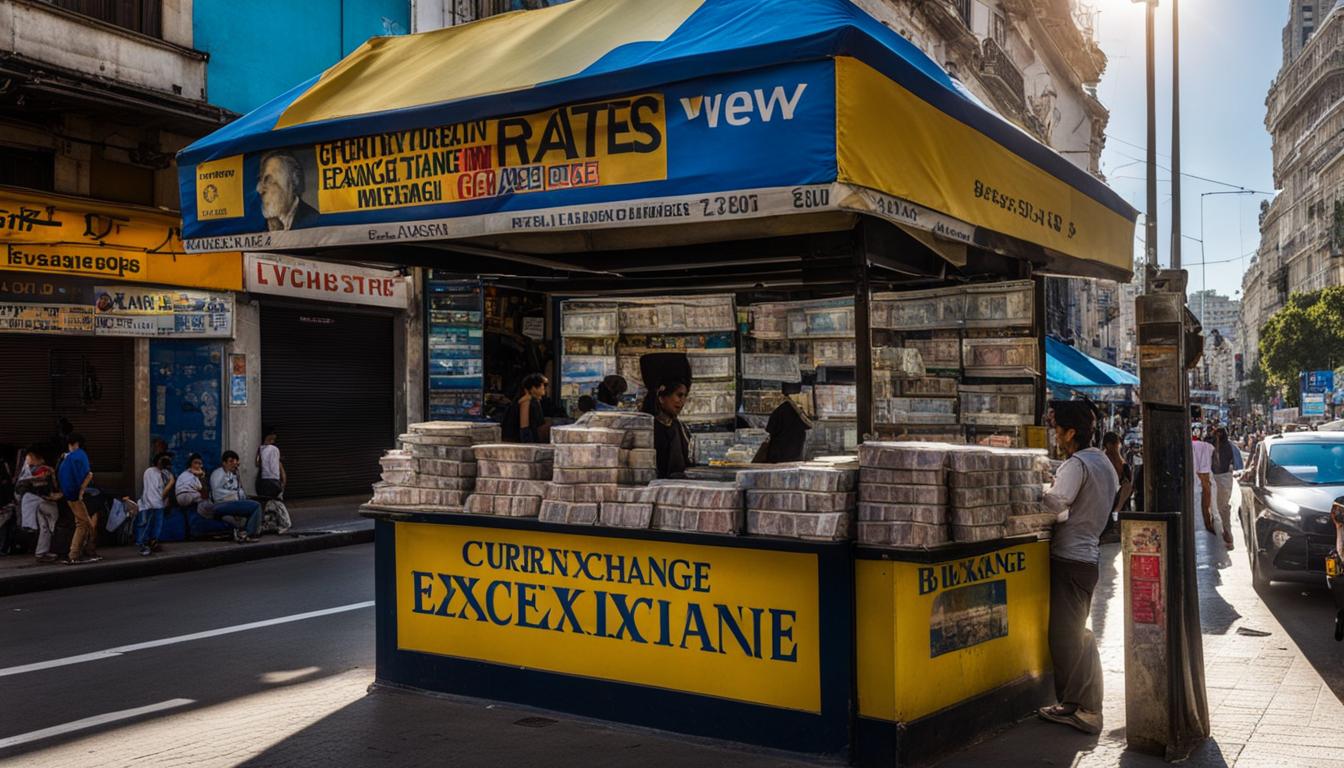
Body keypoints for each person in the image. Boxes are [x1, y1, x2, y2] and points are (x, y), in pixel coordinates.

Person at [1038, 401, 1117, 735]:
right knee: (1073, 633)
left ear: (1071, 432)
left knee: (1070, 636)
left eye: (1058, 430)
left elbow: (1056, 503)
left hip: (1070, 558)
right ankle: (1074, 704)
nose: (1056, 436)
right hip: (1088, 558)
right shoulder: (1103, 463)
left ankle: (1086, 709)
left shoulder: (1076, 464)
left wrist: (1035, 492)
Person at [640, 353, 693, 479]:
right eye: (679, 395)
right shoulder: (647, 429)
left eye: (685, 396)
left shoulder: (679, 428)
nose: (682, 401)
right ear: (661, 397)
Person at [56, 432, 100, 565]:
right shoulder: (80, 456)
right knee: (84, 523)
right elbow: (87, 475)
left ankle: (80, 552)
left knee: (81, 523)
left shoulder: (66, 458)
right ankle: (75, 554)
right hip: (75, 494)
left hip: (68, 494)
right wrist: (81, 491)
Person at [14, 444, 61, 563]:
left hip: (35, 500)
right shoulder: (39, 470)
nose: (28, 460)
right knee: (50, 520)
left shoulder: (39, 469)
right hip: (37, 500)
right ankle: (42, 552)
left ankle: (41, 553)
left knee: (44, 526)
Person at [256, 152, 318, 231]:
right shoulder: (260, 224)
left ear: (293, 182)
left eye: (270, 180)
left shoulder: (314, 220)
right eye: (260, 181)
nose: (259, 190)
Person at [210, 451, 262, 543]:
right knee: (256, 506)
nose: (233, 464)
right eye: (230, 461)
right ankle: (250, 533)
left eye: (235, 461)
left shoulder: (233, 476)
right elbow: (216, 493)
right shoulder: (217, 473)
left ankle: (245, 531)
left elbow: (240, 492)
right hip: (221, 503)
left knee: (254, 504)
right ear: (224, 463)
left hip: (233, 503)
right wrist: (234, 496)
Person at [755, 382, 812, 464]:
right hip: (795, 455)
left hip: (778, 456)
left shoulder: (778, 411)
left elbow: (769, 430)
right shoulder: (801, 412)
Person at [135, 452, 175, 556]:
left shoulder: (166, 473)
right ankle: (142, 544)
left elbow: (166, 490)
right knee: (145, 524)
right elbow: (151, 491)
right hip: (149, 504)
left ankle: (153, 541)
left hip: (158, 503)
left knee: (157, 524)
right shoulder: (150, 471)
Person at [1211, 427, 1239, 550]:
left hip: (1222, 479)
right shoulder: (1213, 446)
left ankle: (1226, 537)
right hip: (1217, 478)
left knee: (1221, 508)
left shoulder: (1228, 447)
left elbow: (1236, 465)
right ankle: (1220, 537)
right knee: (1217, 509)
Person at [501, 373, 547, 443]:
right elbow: (524, 428)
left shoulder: (534, 400)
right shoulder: (526, 401)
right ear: (533, 388)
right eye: (541, 385)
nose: (544, 387)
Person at [1191, 429, 1215, 533]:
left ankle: (1207, 523)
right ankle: (1208, 524)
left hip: (1199, 473)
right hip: (1203, 473)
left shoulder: (1197, 445)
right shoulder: (1209, 447)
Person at [256, 427, 286, 499]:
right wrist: (282, 485)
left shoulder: (262, 449)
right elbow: (282, 472)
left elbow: (257, 463)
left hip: (265, 481)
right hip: (273, 481)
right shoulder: (274, 449)